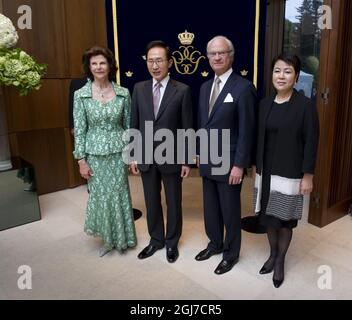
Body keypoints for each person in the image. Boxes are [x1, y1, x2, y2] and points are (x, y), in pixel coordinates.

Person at [253, 53, 319, 288]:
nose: (281, 76)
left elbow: (311, 142)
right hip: (266, 171)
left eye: (288, 71)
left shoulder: (305, 106)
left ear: (297, 76)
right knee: (269, 219)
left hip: (290, 172)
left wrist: (308, 175)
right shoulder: (264, 104)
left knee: (284, 220)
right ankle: (272, 254)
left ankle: (280, 260)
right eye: (277, 71)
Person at [195, 36, 257, 275]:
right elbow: (203, 123)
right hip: (208, 159)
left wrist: (240, 165)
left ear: (231, 55)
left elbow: (246, 131)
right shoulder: (203, 88)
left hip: (230, 163)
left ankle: (231, 254)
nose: (217, 57)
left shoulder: (243, 87)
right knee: (210, 208)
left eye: (222, 53)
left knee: (230, 211)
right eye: (212, 53)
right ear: (208, 57)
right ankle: (215, 244)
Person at [130, 40, 193, 263]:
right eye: (150, 60)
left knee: (174, 202)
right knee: (151, 201)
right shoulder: (139, 88)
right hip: (146, 155)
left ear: (169, 62)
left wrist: (187, 160)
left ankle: (172, 242)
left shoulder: (182, 90)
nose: (155, 65)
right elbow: (134, 123)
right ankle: (156, 240)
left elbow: (187, 128)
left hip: (172, 156)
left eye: (159, 60)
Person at [73, 46, 137, 257]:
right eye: (94, 63)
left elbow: (129, 127)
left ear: (110, 65)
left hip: (118, 155)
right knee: (101, 196)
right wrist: (81, 160)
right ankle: (109, 240)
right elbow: (80, 130)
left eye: (102, 62)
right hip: (94, 156)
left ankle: (123, 238)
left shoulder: (123, 93)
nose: (99, 67)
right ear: (89, 67)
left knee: (119, 194)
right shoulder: (80, 95)